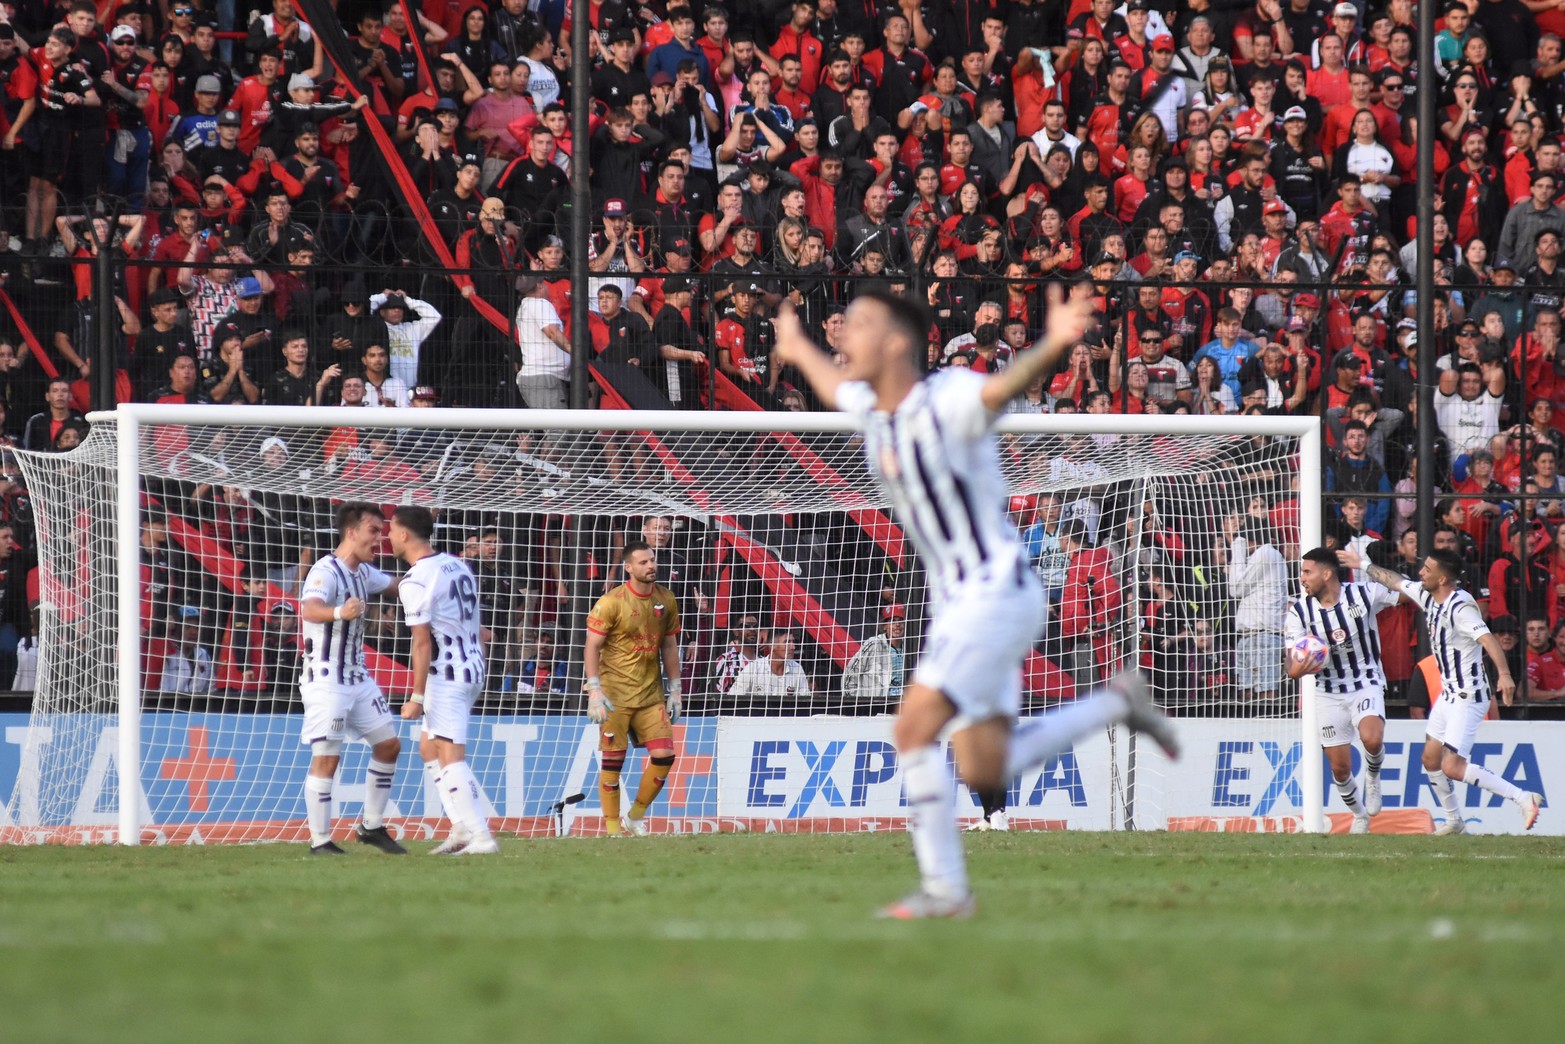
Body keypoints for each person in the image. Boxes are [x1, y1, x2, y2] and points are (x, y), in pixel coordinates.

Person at [772, 288, 1179, 918]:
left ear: (896, 343)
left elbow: (1000, 388)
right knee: (987, 767)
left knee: (911, 728)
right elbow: (833, 385)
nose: (845, 335)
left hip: (992, 590)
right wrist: (797, 346)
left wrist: (1054, 343)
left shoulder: (947, 396)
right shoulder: (872, 407)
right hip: (965, 602)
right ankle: (1117, 702)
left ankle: (945, 891)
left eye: (860, 324)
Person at [1342, 547, 1543, 834]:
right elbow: (1395, 581)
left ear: (1443, 579)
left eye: (1427, 569)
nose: (1421, 572)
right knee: (1430, 759)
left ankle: (1523, 797)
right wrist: (1362, 563)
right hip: (1449, 694)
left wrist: (1504, 675)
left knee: (1452, 766)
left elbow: (1488, 638)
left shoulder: (1461, 608)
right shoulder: (1427, 594)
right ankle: (1454, 822)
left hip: (1468, 696)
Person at [296, 503, 406, 856]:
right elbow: (309, 608)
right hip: (326, 677)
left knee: (388, 745)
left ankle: (371, 827)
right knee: (327, 755)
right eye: (373, 531)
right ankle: (320, 841)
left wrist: (428, 577)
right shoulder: (325, 571)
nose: (379, 539)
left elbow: (394, 585)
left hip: (357, 676)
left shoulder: (364, 573)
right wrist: (339, 611)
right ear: (351, 532)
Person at [390, 506, 497, 856]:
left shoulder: (415, 580)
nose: (388, 537)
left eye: (391, 530)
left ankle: (481, 836)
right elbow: (477, 623)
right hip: (472, 664)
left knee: (451, 756)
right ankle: (461, 827)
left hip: (447, 673)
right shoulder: (456, 564)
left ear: (404, 534)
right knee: (428, 747)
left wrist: (416, 697)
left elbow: (422, 642)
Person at [1285, 548, 1401, 834]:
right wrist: (1300, 667)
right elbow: (1291, 664)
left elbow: (1405, 589)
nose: (1302, 578)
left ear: (1327, 574)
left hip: (1365, 681)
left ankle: (1373, 775)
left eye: (1307, 572)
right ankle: (1360, 815)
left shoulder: (1362, 594)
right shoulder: (1299, 611)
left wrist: (1366, 565)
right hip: (1327, 691)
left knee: (1372, 739)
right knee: (1339, 768)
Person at [584, 539, 682, 837]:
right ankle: (613, 831)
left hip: (650, 694)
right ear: (628, 567)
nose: (651, 565)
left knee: (664, 755)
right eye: (643, 562)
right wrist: (594, 689)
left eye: (652, 560)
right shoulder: (611, 602)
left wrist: (675, 688)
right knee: (613, 764)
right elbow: (592, 646)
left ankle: (635, 816)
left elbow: (669, 645)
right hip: (614, 696)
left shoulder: (666, 599)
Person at [841, 603, 906, 709]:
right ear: (884, 626)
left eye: (900, 620)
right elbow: (850, 673)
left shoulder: (912, 647)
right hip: (875, 707)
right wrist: (851, 704)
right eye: (892, 621)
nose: (897, 624)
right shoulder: (873, 644)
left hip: (904, 706)